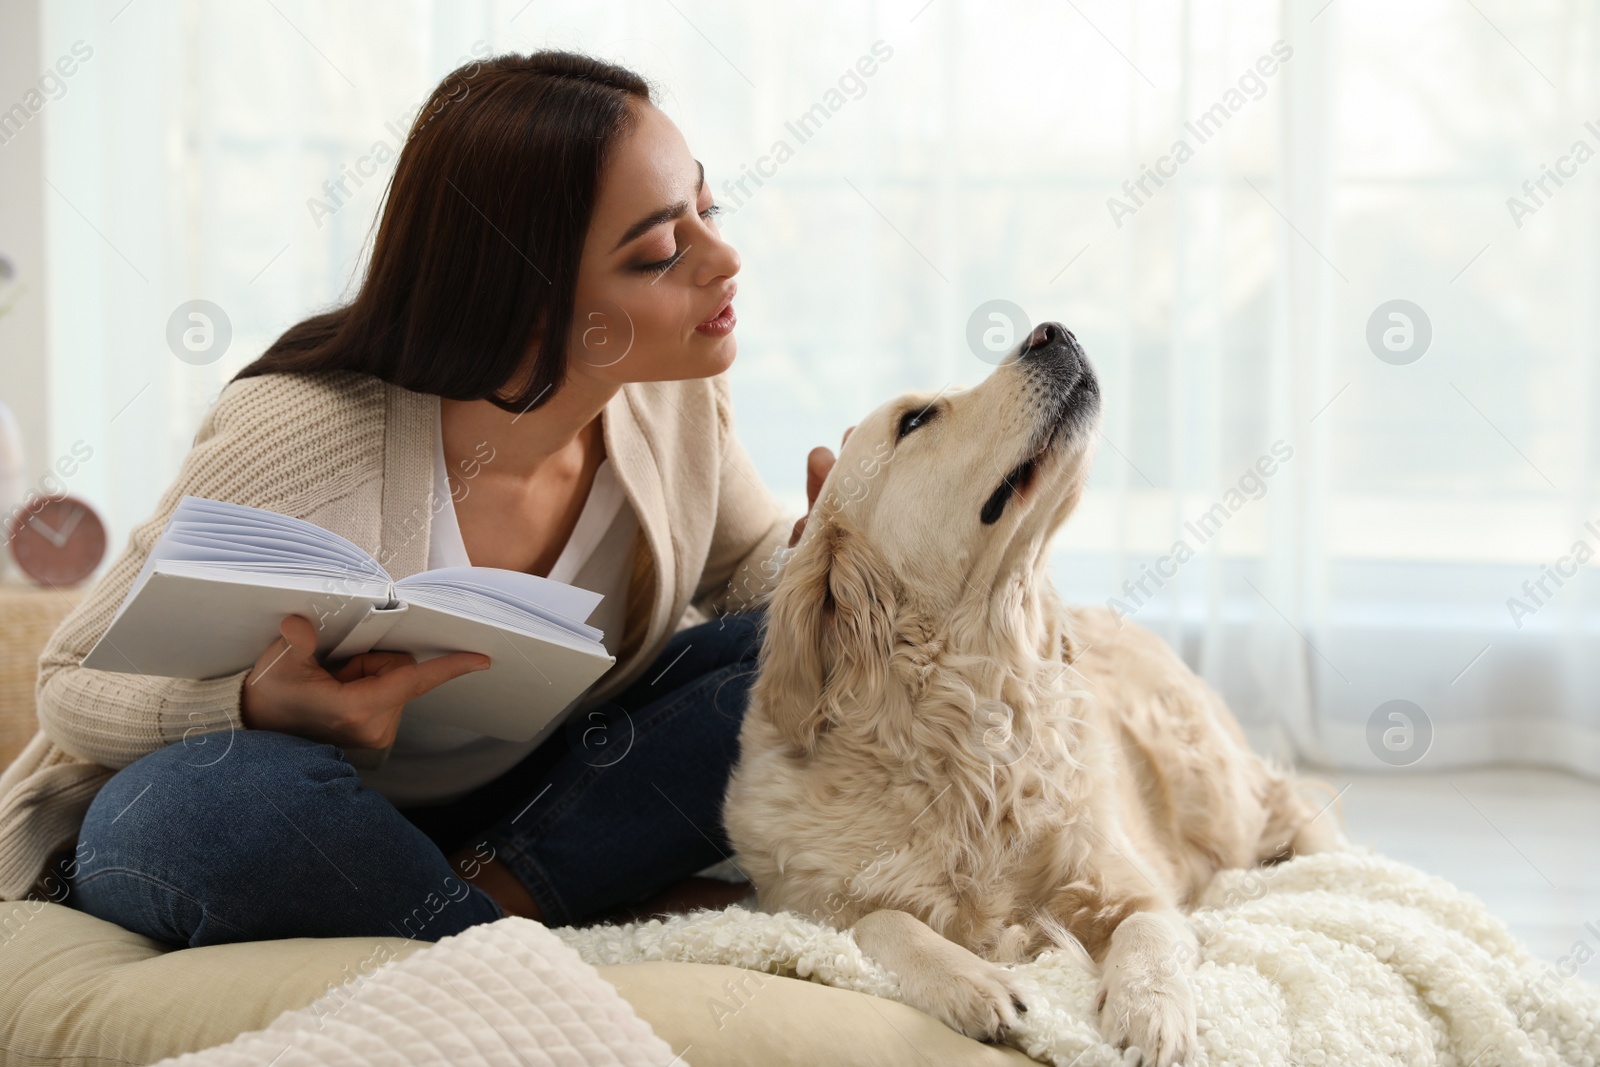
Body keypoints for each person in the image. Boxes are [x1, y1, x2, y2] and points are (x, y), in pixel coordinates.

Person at [0, 51, 838, 947]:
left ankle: (479, 912)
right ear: (528, 297)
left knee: (801, 652)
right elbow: (71, 680)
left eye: (706, 209)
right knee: (200, 812)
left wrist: (836, 548)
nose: (723, 256)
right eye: (664, 249)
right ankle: (541, 922)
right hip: (306, 809)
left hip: (517, 815)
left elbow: (750, 574)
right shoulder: (302, 431)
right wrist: (248, 704)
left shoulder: (669, 392)